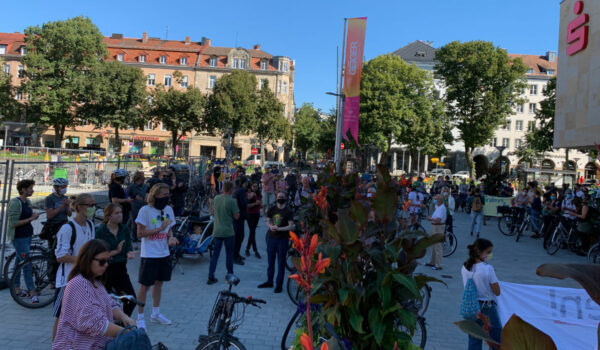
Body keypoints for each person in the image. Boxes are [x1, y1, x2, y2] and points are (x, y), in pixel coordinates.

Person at [52, 239, 136, 350]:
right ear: (88, 259)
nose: (106, 265)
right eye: (102, 261)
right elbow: (95, 324)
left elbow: (110, 304)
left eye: (108, 261)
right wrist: (125, 332)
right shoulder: (79, 283)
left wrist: (124, 317)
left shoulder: (95, 281)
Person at [53, 193, 97, 340]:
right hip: (68, 281)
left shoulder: (90, 224)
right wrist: (84, 259)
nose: (93, 208)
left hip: (86, 279)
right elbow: (60, 257)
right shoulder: (68, 228)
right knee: (61, 318)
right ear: (79, 207)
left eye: (94, 205)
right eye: (90, 205)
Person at [135, 183, 178, 330]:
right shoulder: (145, 210)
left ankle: (156, 313)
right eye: (164, 195)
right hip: (149, 255)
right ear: (156, 195)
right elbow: (139, 233)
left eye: (168, 195)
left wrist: (170, 237)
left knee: (159, 283)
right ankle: (140, 318)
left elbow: (169, 229)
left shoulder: (168, 210)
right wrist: (159, 228)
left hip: (164, 253)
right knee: (145, 286)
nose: (167, 197)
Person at [95, 204, 136, 316]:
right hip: (105, 270)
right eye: (117, 213)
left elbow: (128, 246)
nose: (120, 215)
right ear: (108, 217)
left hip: (121, 268)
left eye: (121, 212)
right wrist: (116, 251)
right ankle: (104, 326)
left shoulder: (124, 229)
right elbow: (98, 254)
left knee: (130, 300)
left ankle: (123, 325)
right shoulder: (101, 231)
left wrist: (130, 252)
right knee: (103, 302)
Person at [461, 238, 501, 350]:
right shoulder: (488, 269)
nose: (490, 255)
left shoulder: (465, 267)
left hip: (471, 307)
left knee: (474, 338)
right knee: (496, 337)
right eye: (488, 252)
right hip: (487, 308)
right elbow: (497, 292)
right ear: (479, 252)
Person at [7, 179, 41, 303]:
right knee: (27, 264)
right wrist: (31, 218)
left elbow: (28, 216)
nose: (32, 190)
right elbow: (13, 223)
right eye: (30, 188)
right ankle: (32, 291)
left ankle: (16, 288)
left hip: (27, 235)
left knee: (19, 262)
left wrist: (33, 216)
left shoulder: (28, 202)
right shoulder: (15, 203)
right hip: (18, 237)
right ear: (23, 190)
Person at [258, 191, 294, 293]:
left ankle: (279, 285)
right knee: (270, 261)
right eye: (279, 197)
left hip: (282, 239)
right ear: (276, 198)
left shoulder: (288, 211)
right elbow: (267, 220)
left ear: (285, 198)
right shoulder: (272, 209)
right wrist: (271, 227)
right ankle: (269, 281)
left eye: (282, 197)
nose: (280, 198)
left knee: (281, 263)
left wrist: (279, 229)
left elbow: (290, 226)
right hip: (271, 238)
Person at [208, 181, 239, 285]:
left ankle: (211, 276)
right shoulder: (232, 201)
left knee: (215, 255)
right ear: (231, 189)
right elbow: (236, 216)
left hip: (217, 231)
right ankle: (230, 274)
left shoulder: (217, 198)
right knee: (229, 254)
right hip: (228, 231)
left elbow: (212, 210)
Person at [43, 177, 72, 283]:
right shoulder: (49, 199)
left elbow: (69, 214)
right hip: (53, 227)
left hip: (64, 225)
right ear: (56, 187)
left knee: (63, 251)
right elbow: (50, 215)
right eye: (63, 187)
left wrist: (68, 206)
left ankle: (60, 275)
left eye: (66, 186)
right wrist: (62, 206)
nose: (65, 189)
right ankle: (51, 278)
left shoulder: (64, 197)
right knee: (53, 252)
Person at [425, 194, 446, 270]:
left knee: (438, 246)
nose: (434, 200)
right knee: (432, 245)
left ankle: (439, 264)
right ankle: (432, 262)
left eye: (435, 199)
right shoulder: (438, 207)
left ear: (439, 201)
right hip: (434, 226)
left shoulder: (442, 208)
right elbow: (431, 206)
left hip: (438, 227)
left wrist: (430, 219)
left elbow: (438, 220)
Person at [127, 171, 149, 242]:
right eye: (139, 180)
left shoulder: (145, 186)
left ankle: (142, 235)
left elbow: (148, 194)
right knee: (135, 222)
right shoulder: (131, 186)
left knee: (144, 221)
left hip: (144, 205)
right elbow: (127, 195)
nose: (140, 181)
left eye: (141, 180)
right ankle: (135, 237)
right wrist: (134, 197)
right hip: (135, 206)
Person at [233, 176, 248, 265]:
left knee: (239, 236)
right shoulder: (241, 190)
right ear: (244, 182)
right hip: (239, 216)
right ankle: (235, 256)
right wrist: (248, 199)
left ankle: (237, 254)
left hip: (239, 217)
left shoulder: (238, 190)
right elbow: (242, 203)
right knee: (239, 237)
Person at [246, 181, 262, 258]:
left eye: (256, 186)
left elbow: (261, 205)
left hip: (257, 214)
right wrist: (255, 203)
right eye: (254, 186)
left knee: (252, 232)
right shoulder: (249, 194)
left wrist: (260, 204)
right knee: (252, 232)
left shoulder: (259, 194)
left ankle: (247, 249)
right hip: (250, 214)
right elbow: (247, 205)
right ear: (251, 187)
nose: (255, 188)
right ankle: (255, 250)